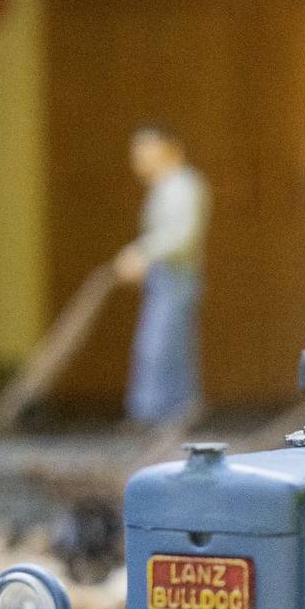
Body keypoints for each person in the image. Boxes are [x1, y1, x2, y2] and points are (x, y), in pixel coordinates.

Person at [115, 125, 208, 428]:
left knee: (159, 345)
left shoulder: (182, 186)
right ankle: (174, 411)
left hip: (176, 276)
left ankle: (155, 412)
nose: (139, 160)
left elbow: (181, 236)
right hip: (166, 275)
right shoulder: (167, 185)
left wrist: (144, 253)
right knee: (168, 345)